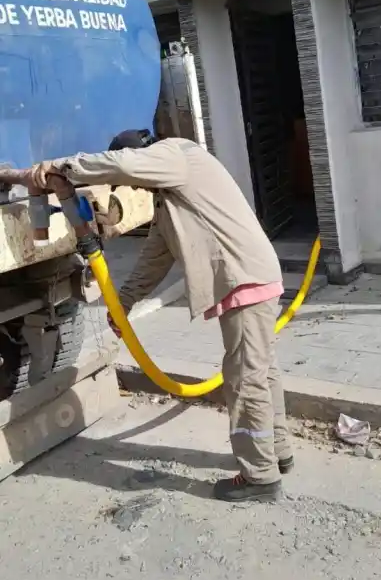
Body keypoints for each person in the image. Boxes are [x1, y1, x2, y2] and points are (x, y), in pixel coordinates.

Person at [28, 130, 293, 503]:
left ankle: (260, 476)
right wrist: (123, 303)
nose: (135, 187)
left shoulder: (176, 154)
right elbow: (155, 257)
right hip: (252, 279)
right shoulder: (171, 198)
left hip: (244, 281)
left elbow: (123, 164)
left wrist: (61, 168)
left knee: (245, 380)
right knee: (262, 371)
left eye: (134, 180)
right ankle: (278, 452)